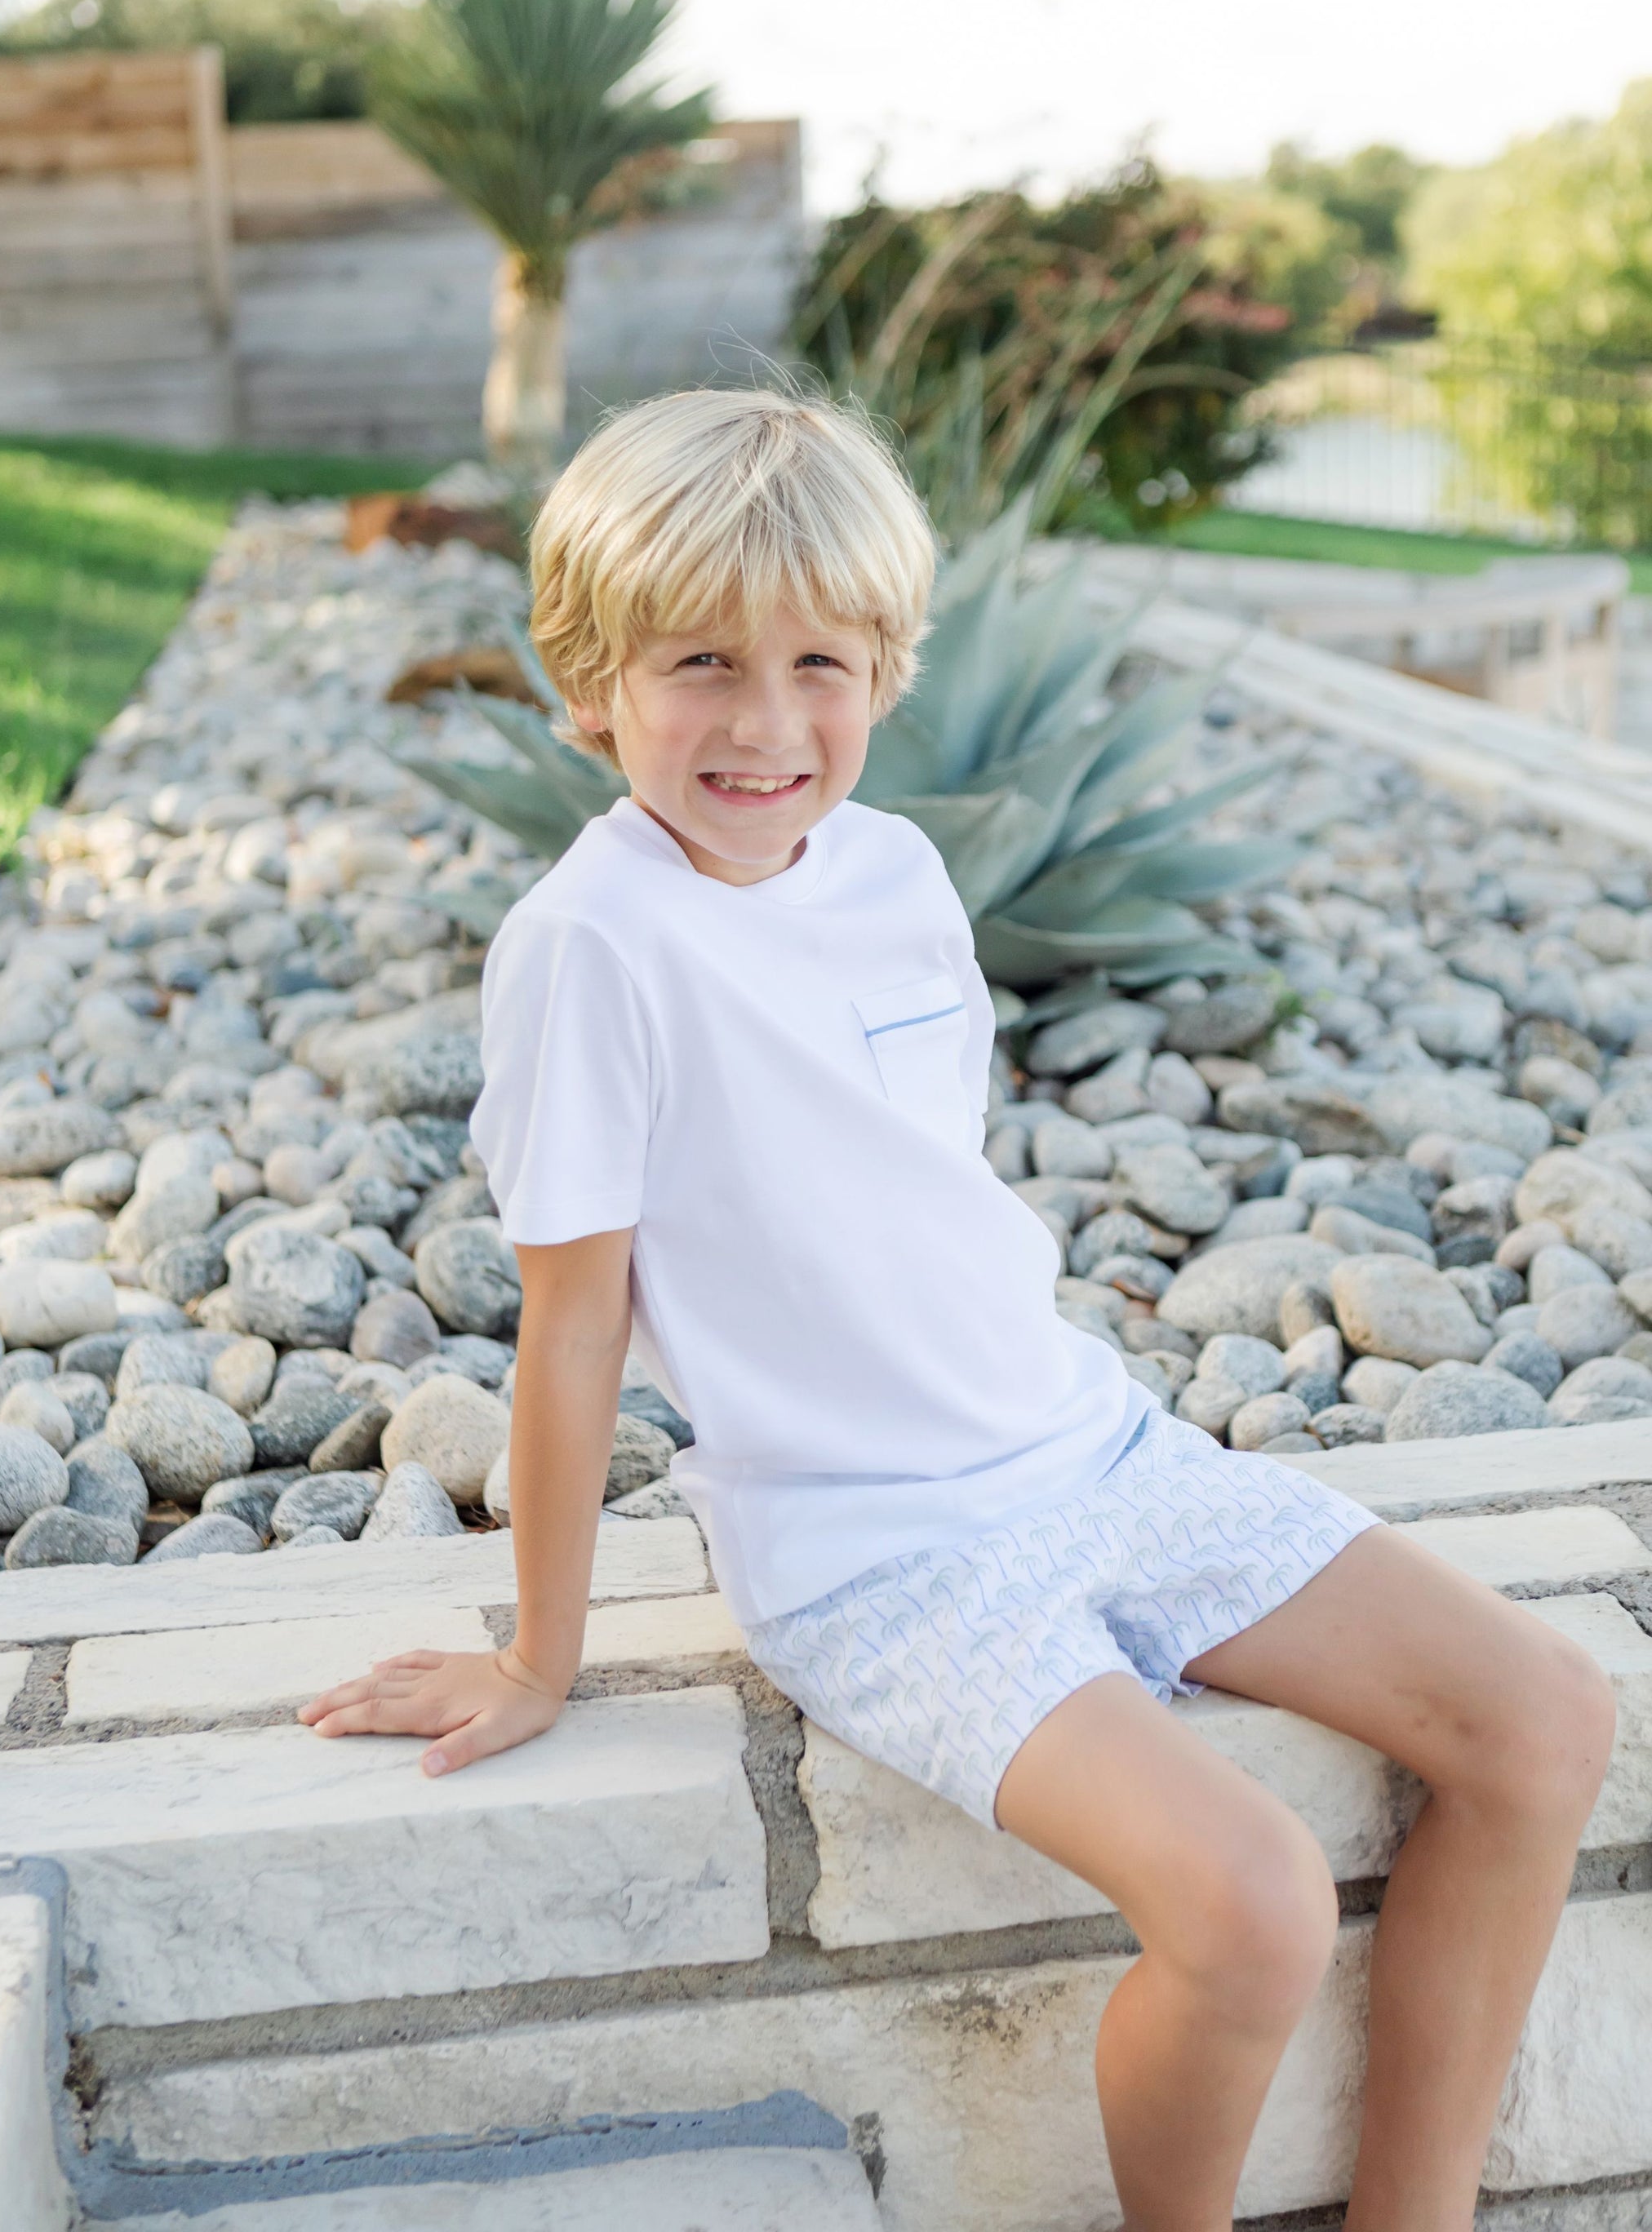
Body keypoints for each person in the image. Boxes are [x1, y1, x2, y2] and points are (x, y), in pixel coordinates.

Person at [301, 388, 1614, 2230]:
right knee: (1248, 1906)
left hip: (1092, 1449)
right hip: (880, 1552)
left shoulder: (902, 872)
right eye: (700, 663)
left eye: (818, 665)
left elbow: (915, 1198)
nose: (766, 724)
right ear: (590, 679)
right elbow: (576, 1323)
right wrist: (538, 1657)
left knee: (1548, 1718)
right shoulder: (589, 947)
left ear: (886, 669)